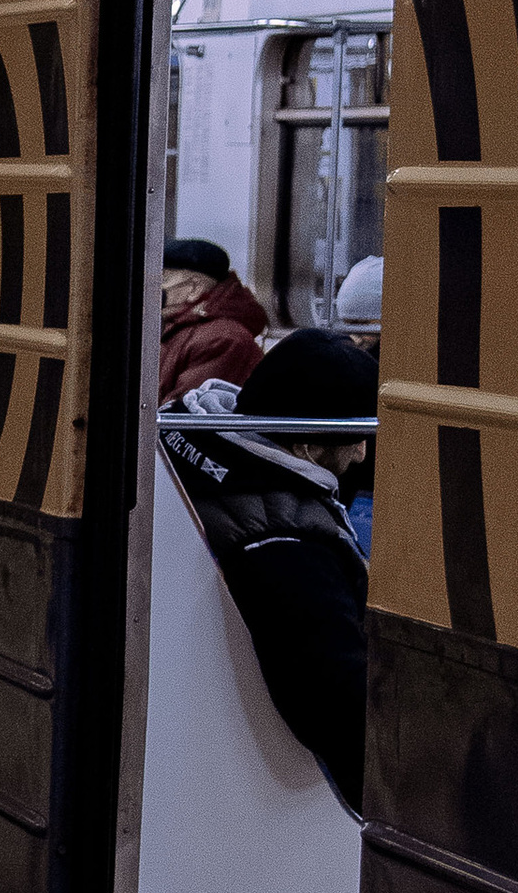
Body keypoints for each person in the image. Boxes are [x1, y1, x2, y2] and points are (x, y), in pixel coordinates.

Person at [160, 324, 377, 808]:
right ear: (304, 445)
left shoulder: (189, 439)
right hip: (240, 788)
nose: (362, 454)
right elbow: (337, 704)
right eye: (354, 438)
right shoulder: (286, 541)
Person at [157, 236, 267, 403]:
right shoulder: (179, 329)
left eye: (163, 279)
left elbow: (184, 409)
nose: (155, 289)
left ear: (195, 288)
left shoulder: (223, 339)